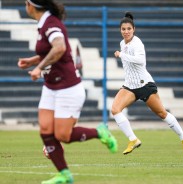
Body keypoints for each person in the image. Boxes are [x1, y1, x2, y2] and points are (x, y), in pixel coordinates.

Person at [18, 0, 118, 183]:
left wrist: (38, 67)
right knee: (46, 131)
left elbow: (60, 47)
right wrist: (32, 61)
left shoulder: (51, 24)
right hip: (51, 87)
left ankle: (100, 132)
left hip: (68, 87)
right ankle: (64, 175)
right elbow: (50, 51)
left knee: (63, 135)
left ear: (31, 6)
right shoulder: (43, 24)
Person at [113, 12, 183, 156]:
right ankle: (133, 139)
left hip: (144, 85)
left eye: (129, 29)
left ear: (134, 29)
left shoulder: (137, 43)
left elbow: (140, 61)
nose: (126, 32)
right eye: (123, 29)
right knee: (115, 109)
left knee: (162, 113)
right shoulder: (122, 43)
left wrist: (121, 55)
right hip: (130, 86)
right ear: (120, 30)